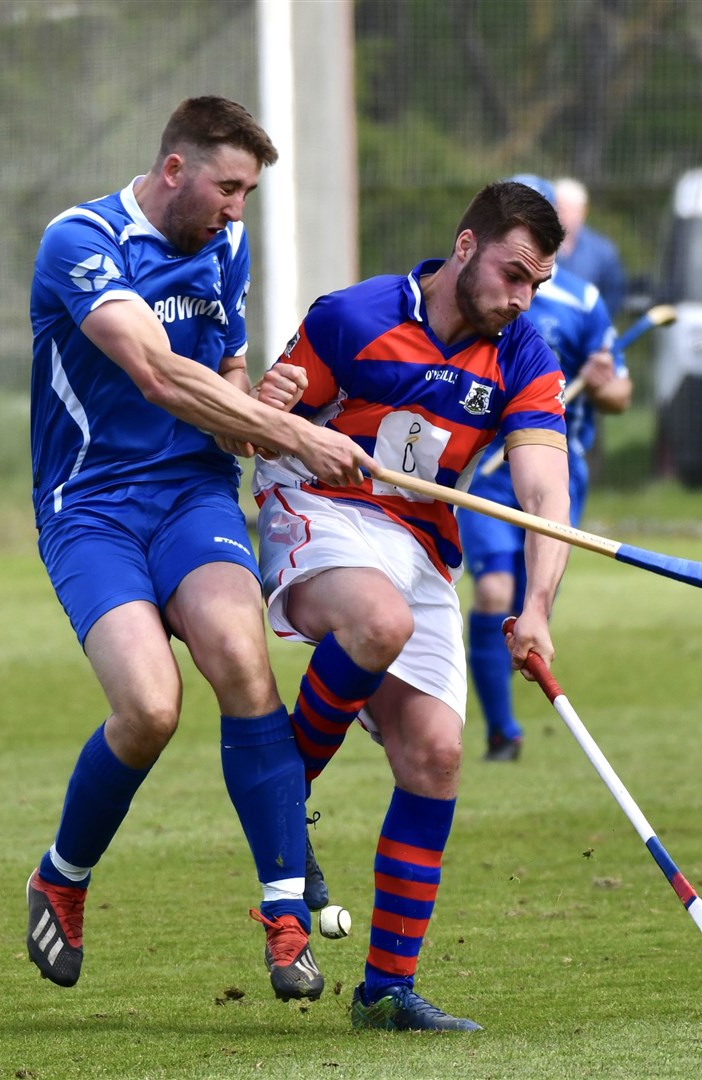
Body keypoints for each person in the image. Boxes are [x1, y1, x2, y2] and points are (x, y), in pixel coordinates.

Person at [23, 96, 372, 1004]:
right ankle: (62, 877)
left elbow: (216, 380)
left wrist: (263, 405)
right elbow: (152, 369)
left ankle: (284, 912)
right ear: (174, 169)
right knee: (148, 709)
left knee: (241, 662)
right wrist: (284, 433)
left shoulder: (226, 247)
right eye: (228, 187)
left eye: (248, 192)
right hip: (91, 507)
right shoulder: (81, 240)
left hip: (191, 496)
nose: (237, 210)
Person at [251, 180, 573, 1031]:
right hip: (316, 507)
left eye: (535, 283)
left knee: (435, 755)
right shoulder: (352, 317)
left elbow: (545, 491)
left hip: (420, 547)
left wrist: (537, 606)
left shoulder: (524, 356)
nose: (520, 297)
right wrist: (271, 415)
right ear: (465, 247)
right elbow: (259, 426)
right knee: (377, 622)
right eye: (512, 273)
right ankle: (283, 811)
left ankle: (386, 990)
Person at [459, 175, 632, 762]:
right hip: (484, 472)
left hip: (557, 469)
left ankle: (491, 688)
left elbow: (620, 395)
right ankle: (502, 731)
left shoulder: (582, 300)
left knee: (531, 605)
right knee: (492, 589)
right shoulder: (473, 292)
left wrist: (606, 385)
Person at [554, 176, 627, 320]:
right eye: (557, 208)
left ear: (583, 211)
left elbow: (614, 295)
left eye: (567, 209)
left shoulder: (602, 251)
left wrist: (594, 325)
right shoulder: (536, 246)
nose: (561, 215)